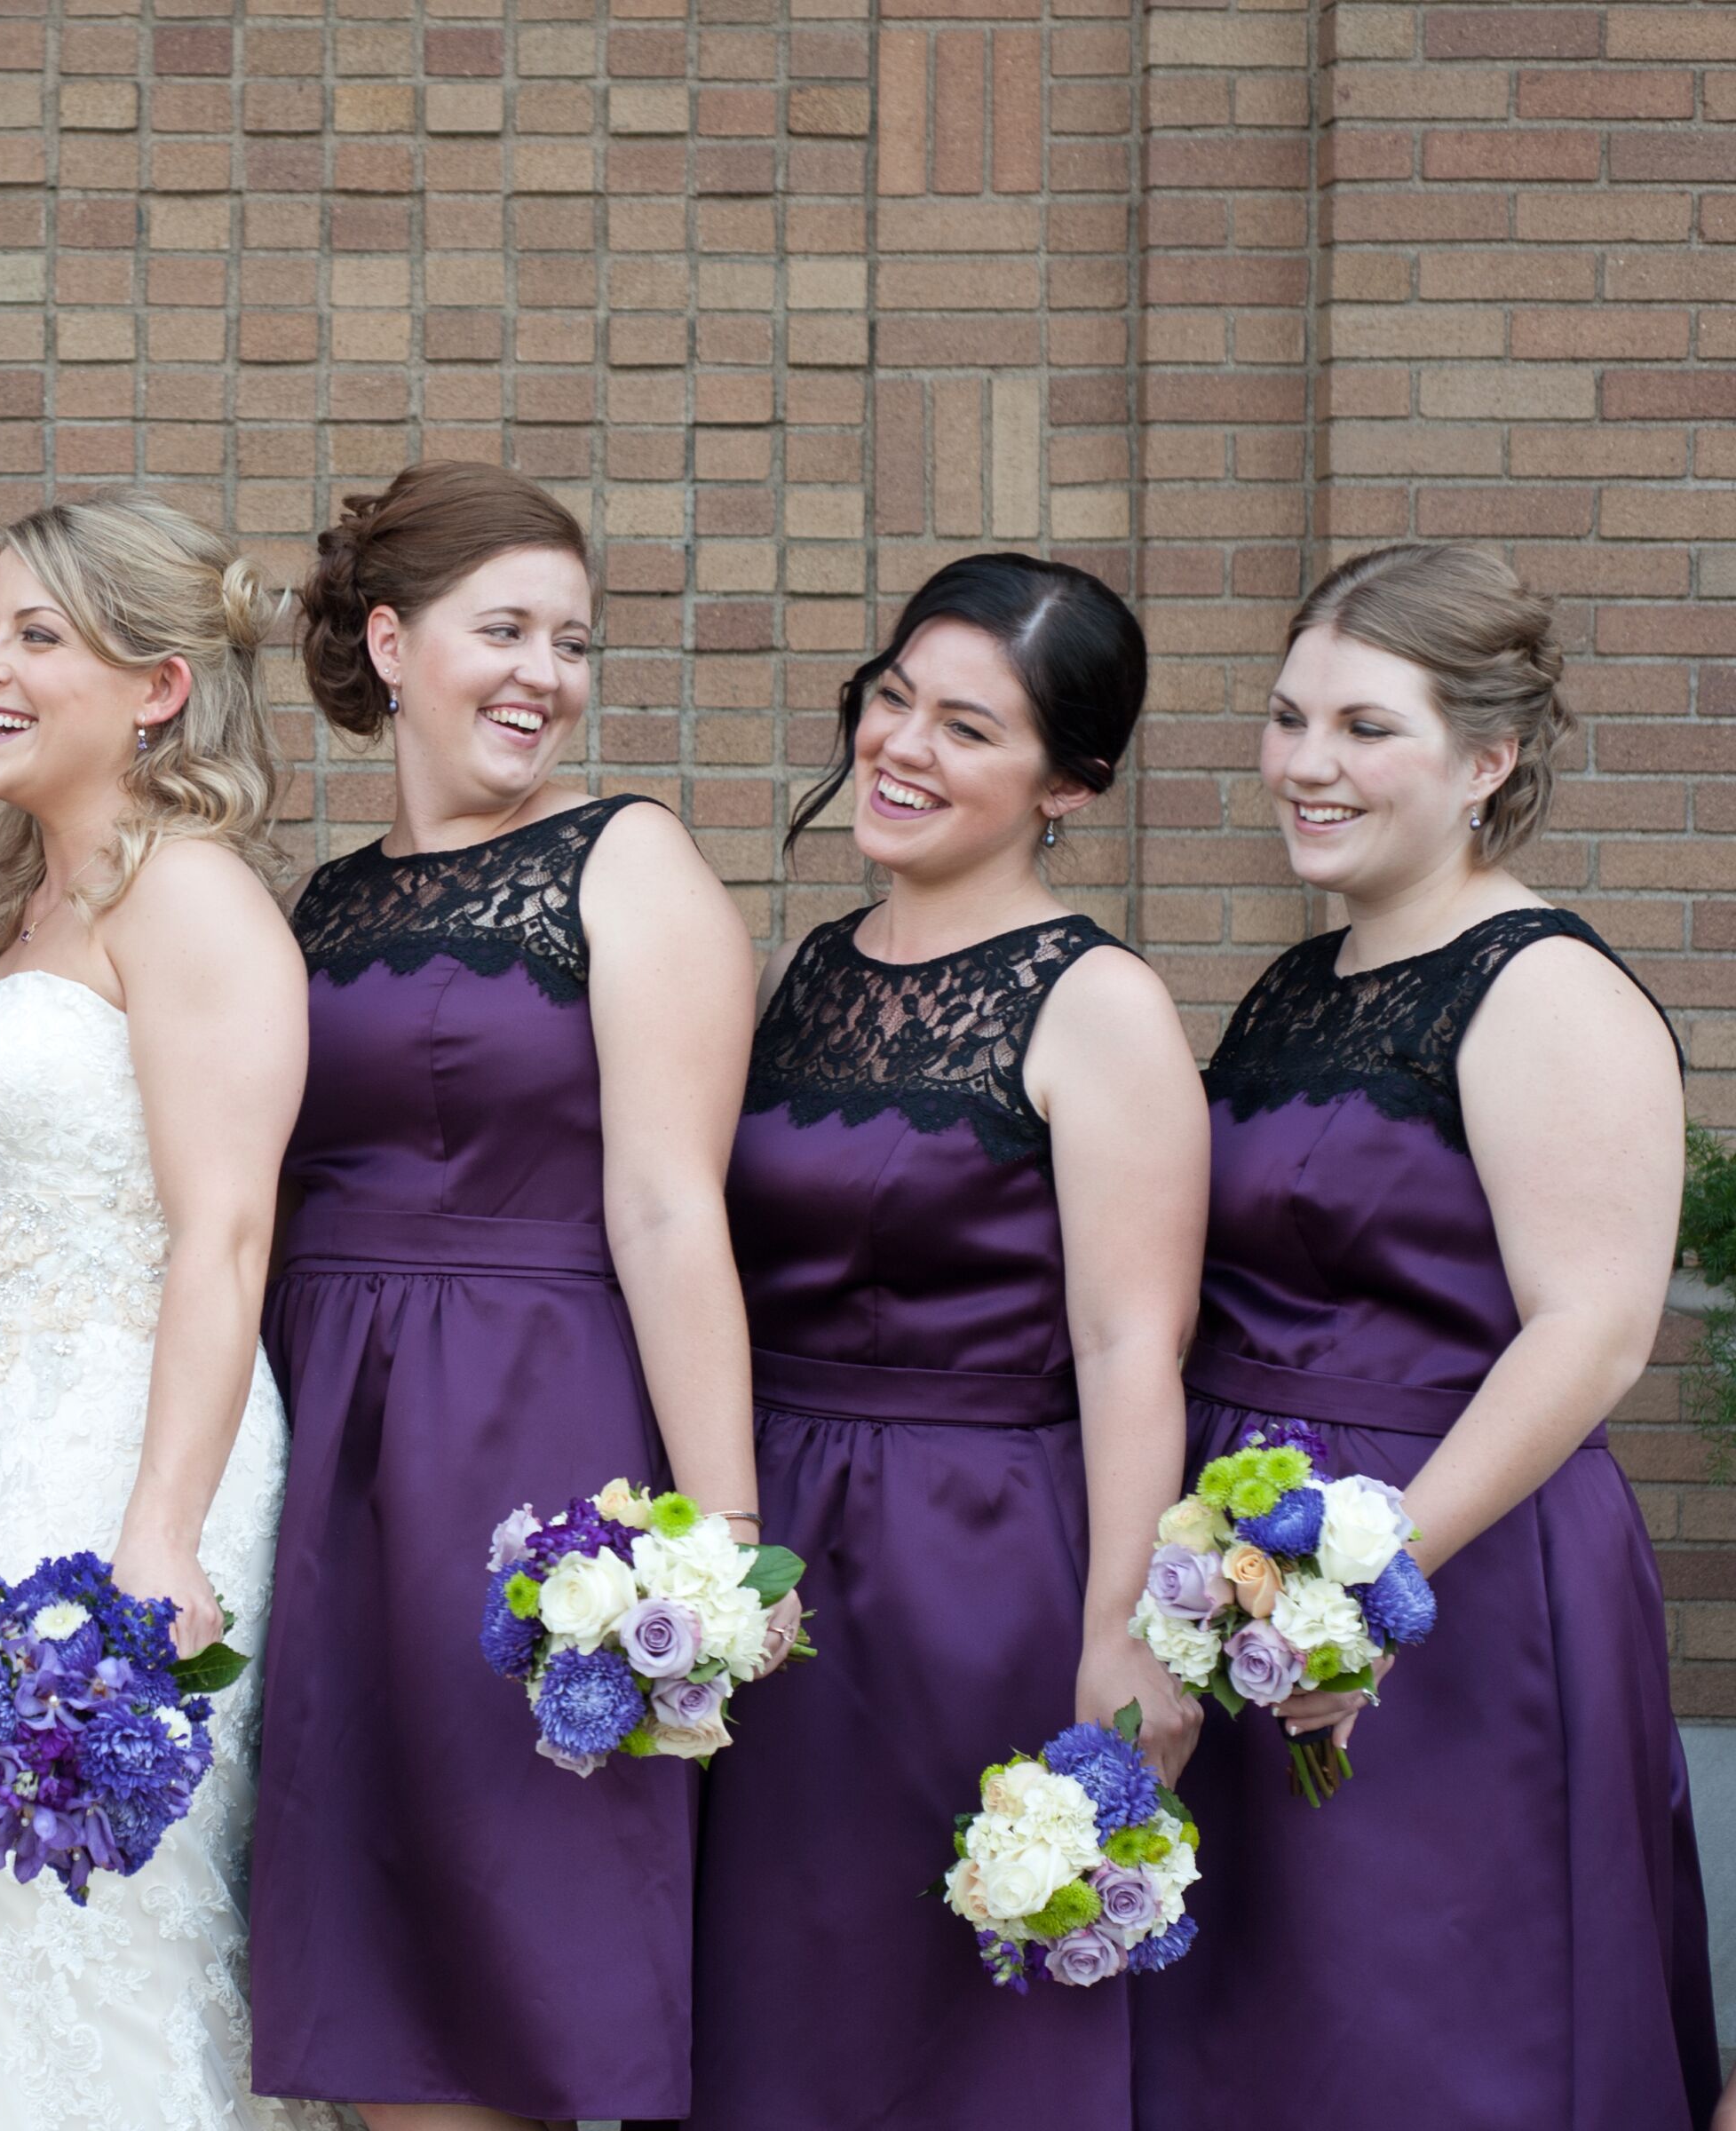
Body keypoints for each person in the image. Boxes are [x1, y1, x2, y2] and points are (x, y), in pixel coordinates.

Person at [1134, 543, 1715, 2131]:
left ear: (1487, 760)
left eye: (1364, 729)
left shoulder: (1546, 992)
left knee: (1431, 2033)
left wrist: (1364, 1587)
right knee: (1269, 2040)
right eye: (1287, 718)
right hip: (1250, 1577)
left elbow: (1591, 1334)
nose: (1308, 765)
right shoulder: (1294, 986)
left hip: (1448, 1589)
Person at [242, 462, 780, 2131]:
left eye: (572, 638)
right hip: (330, 1435)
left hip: (533, 1436)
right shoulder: (322, 904)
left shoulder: (625, 863)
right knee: (359, 1937)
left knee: (514, 1947)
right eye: (506, 630)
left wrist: (728, 1542)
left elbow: (673, 1208)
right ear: (393, 645)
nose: (546, 672)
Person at [0, 491, 338, 2131]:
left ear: (157, 685)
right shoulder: (36, 897)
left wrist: (157, 1536)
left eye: (38, 635)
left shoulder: (191, 900)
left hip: (126, 1473)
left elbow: (226, 1236)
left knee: (92, 1914)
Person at [680, 553, 1207, 2129]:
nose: (900, 747)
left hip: (978, 1565)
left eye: (967, 728)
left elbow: (1131, 1344)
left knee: (945, 2014)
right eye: (893, 698)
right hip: (780, 1556)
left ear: (1072, 787)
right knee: (768, 1994)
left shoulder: (1099, 1003)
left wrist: (1125, 1629)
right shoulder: (808, 975)